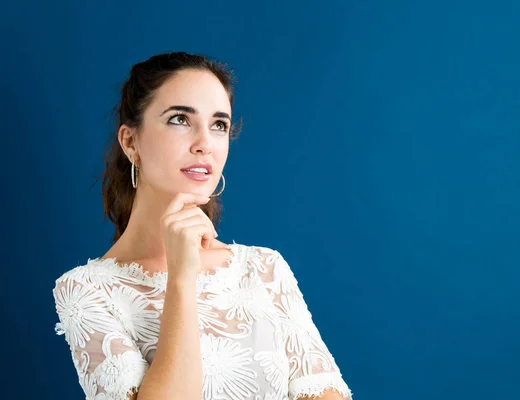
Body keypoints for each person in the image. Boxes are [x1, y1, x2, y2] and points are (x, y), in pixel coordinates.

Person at [51, 52, 353, 400]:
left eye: (219, 125)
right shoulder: (86, 291)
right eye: (180, 119)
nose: (204, 144)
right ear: (130, 141)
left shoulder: (264, 269)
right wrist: (181, 278)